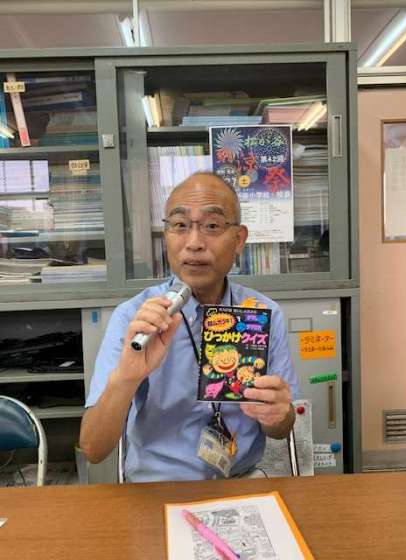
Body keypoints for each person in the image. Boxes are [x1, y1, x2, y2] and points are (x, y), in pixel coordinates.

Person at [80, 172, 298, 482]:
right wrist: (126, 378)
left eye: (212, 226)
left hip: (240, 484)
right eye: (180, 225)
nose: (194, 243)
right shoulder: (133, 319)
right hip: (158, 488)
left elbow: (281, 429)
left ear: (239, 239)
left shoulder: (263, 315)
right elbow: (93, 448)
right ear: (166, 236)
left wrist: (278, 414)